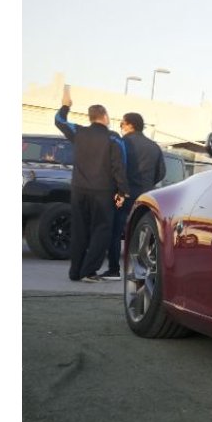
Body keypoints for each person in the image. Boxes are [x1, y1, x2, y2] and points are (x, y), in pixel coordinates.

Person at [54, 85, 130, 282]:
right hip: (103, 192)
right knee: (102, 231)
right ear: (104, 116)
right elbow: (119, 166)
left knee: (80, 230)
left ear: (90, 117)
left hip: (79, 189)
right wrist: (122, 192)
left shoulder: (78, 133)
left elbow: (59, 121)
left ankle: (75, 271)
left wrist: (65, 105)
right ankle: (89, 271)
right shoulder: (114, 138)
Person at [101, 112, 165, 278]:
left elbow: (113, 168)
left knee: (116, 232)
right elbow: (161, 172)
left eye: (122, 124)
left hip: (123, 194)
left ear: (130, 125)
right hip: (146, 197)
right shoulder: (154, 147)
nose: (120, 127)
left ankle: (114, 269)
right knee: (143, 234)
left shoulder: (121, 143)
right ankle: (141, 271)